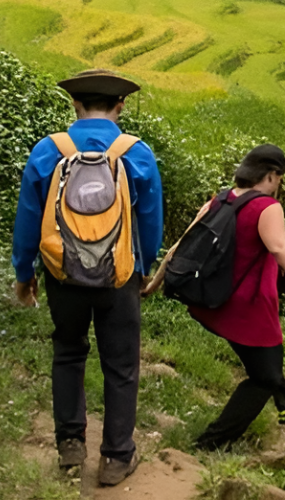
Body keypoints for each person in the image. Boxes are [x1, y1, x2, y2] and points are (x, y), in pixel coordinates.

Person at [10, 69, 163, 486]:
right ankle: (116, 457)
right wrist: (143, 268)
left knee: (68, 352)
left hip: (63, 273)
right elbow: (150, 221)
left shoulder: (49, 150)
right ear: (120, 106)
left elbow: (28, 219)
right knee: (121, 364)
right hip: (119, 276)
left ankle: (70, 446)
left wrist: (24, 273)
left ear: (75, 104)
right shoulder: (136, 153)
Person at [143, 144, 285, 450]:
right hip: (250, 310)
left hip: (216, 301)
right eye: (280, 178)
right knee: (264, 377)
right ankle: (209, 444)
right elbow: (280, 249)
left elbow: (180, 247)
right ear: (272, 175)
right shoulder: (267, 207)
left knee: (265, 370)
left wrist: (153, 285)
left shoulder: (220, 199)